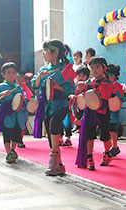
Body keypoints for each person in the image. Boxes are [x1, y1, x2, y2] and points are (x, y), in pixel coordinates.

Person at [31, 39, 76, 176]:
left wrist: (58, 87)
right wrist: (39, 76)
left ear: (55, 53)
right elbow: (35, 85)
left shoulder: (66, 69)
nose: (43, 54)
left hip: (61, 103)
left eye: (46, 51)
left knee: (54, 123)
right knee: (51, 133)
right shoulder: (43, 69)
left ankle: (53, 155)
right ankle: (59, 165)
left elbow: (71, 90)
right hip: (47, 105)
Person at [75, 56, 114, 171]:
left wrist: (88, 86)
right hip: (91, 112)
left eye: (97, 67)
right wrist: (80, 88)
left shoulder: (107, 82)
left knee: (105, 135)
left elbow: (106, 92)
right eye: (92, 67)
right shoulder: (88, 81)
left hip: (103, 112)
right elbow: (81, 91)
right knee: (89, 135)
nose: (94, 70)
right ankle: (89, 158)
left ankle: (107, 153)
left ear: (104, 68)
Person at [0, 62, 28, 163]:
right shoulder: (1, 86)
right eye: (8, 72)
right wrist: (2, 94)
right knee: (7, 134)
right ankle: (8, 152)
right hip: (7, 113)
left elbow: (25, 99)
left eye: (13, 72)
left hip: (18, 114)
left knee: (17, 133)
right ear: (3, 74)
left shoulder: (19, 87)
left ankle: (13, 150)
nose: (11, 74)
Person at [106, 64, 125, 157]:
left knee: (113, 130)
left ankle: (115, 146)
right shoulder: (104, 85)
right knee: (107, 130)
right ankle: (110, 147)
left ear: (113, 76)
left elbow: (122, 98)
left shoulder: (118, 86)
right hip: (106, 112)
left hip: (114, 113)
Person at [68, 65, 90, 132]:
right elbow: (69, 94)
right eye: (79, 75)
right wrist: (72, 96)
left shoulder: (89, 86)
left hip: (86, 109)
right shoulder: (74, 86)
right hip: (76, 109)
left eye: (83, 76)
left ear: (87, 77)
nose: (81, 78)